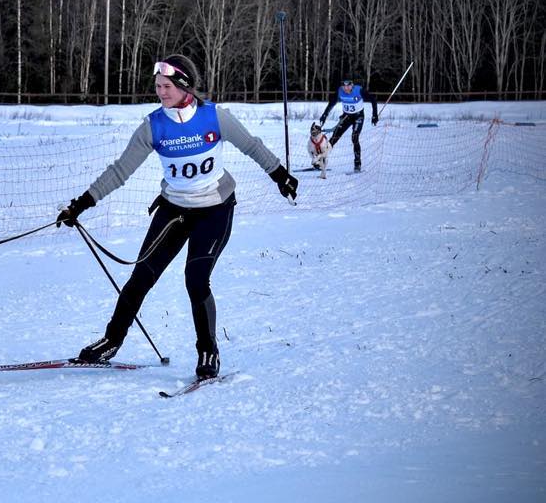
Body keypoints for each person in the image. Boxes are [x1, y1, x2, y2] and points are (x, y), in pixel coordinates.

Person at [56, 55, 298, 381]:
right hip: (174, 211)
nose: (160, 92)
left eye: (166, 86)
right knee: (141, 276)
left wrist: (279, 174)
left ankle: (208, 350)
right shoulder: (153, 126)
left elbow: (252, 146)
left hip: (215, 209)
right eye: (157, 86)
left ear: (184, 86)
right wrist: (82, 204)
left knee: (196, 278)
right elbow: (120, 171)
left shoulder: (215, 118)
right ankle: (112, 341)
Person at [318, 77, 378, 172]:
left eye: (348, 86)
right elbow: (332, 103)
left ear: (352, 85)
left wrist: (374, 115)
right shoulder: (340, 91)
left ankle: (357, 164)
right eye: (344, 86)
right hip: (346, 117)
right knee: (334, 137)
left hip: (358, 117)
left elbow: (373, 100)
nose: (346, 88)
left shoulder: (359, 90)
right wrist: (324, 115)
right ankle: (321, 161)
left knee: (354, 137)